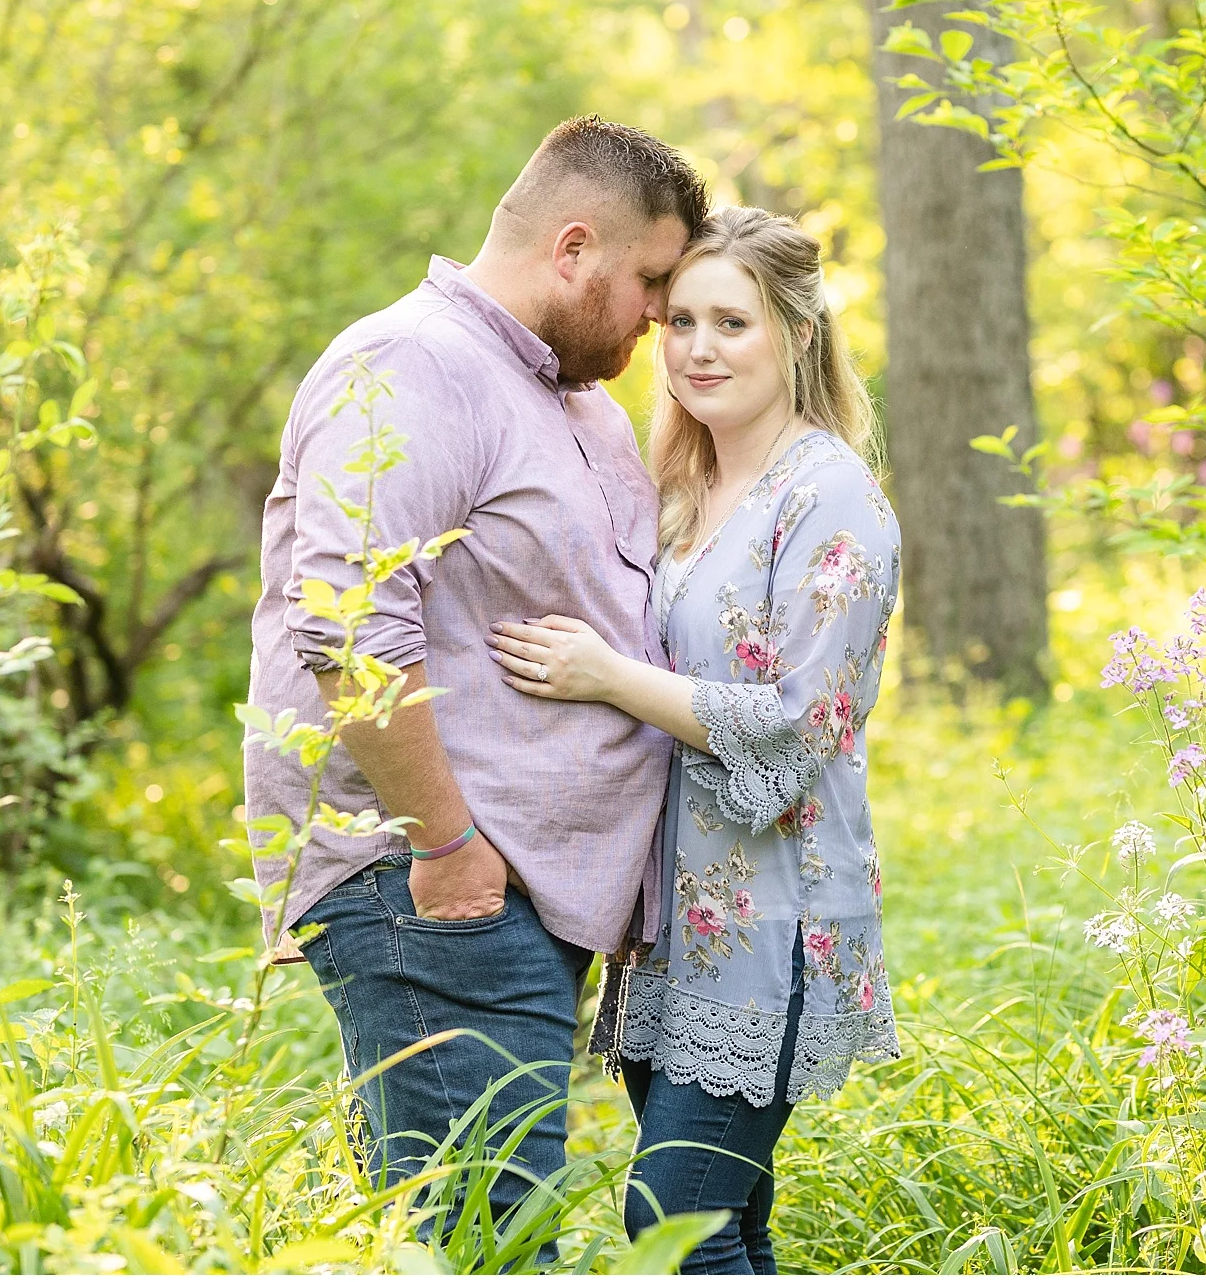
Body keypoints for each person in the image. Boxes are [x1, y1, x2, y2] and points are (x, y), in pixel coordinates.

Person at [243, 115, 708, 1223]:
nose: (660, 313)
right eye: (650, 280)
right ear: (573, 247)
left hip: (520, 898)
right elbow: (348, 625)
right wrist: (448, 849)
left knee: (479, 1225)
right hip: (439, 891)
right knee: (485, 1236)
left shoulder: (576, 400)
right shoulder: (414, 364)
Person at [484, 206, 900, 1274]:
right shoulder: (681, 489)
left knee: (672, 1222)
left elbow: (804, 724)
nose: (699, 349)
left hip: (775, 916)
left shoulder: (831, 497)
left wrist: (608, 677)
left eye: (732, 323)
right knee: (727, 1228)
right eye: (679, 322)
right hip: (670, 919)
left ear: (797, 334)